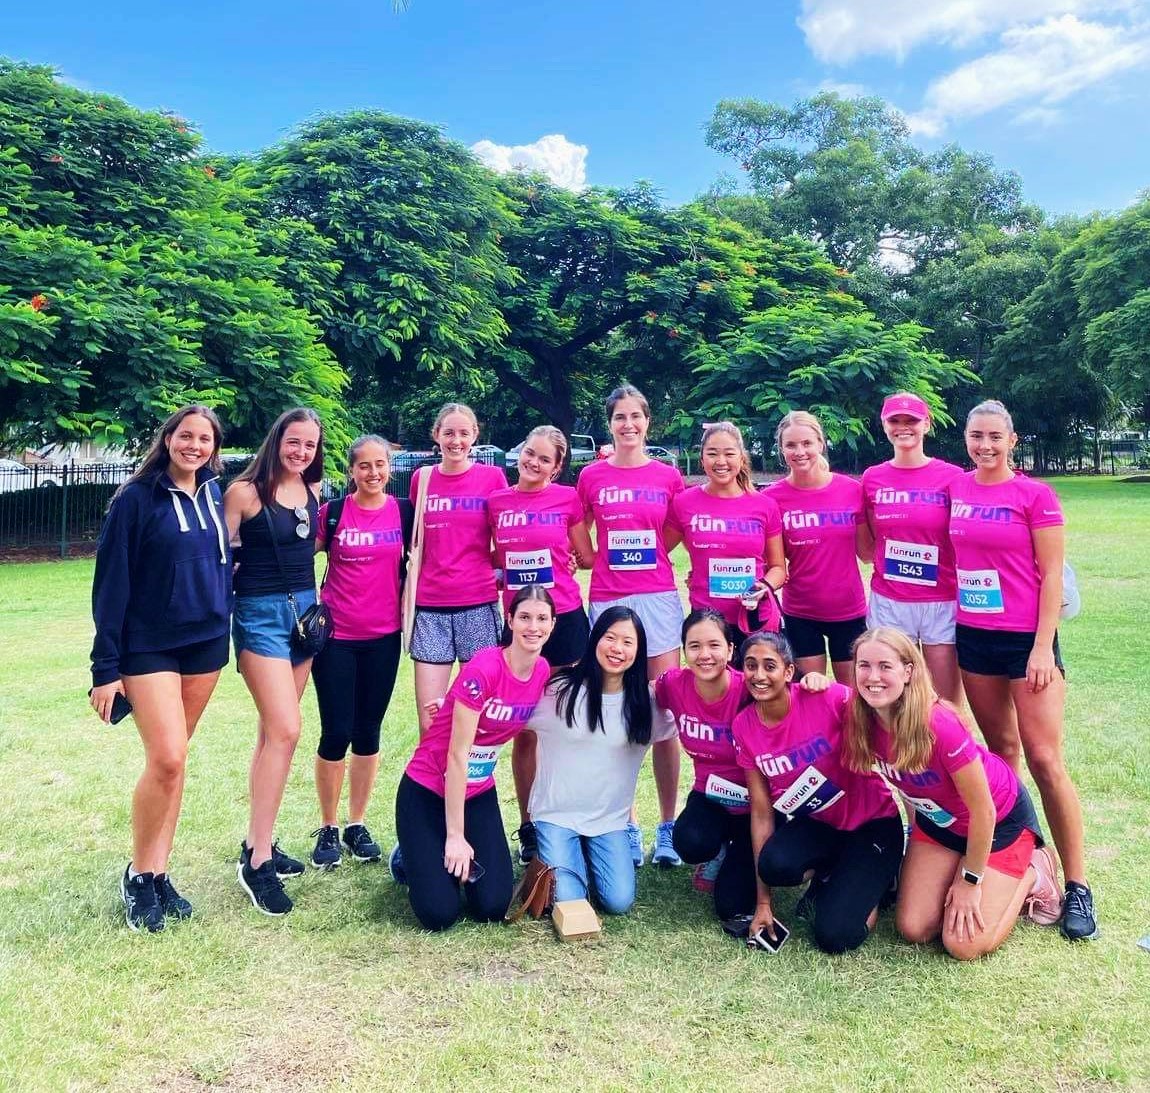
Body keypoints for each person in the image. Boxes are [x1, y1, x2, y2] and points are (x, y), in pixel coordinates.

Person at [949, 399, 1097, 941]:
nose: (984, 445)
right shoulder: (957, 489)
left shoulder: (1034, 494)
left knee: (1044, 756)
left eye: (994, 437)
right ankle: (1028, 860)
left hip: (1026, 642)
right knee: (1002, 754)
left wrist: (1041, 647)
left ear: (1012, 441)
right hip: (975, 640)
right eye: (975, 435)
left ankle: (1079, 885)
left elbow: (1053, 574)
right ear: (965, 438)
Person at [90, 406, 231, 932]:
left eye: (205, 438)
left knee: (176, 762)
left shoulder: (216, 494)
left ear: (213, 447)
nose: (194, 445)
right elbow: (110, 583)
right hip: (148, 646)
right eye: (186, 435)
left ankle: (158, 872)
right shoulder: (135, 499)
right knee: (167, 758)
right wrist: (106, 667)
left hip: (206, 643)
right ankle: (137, 874)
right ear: (168, 438)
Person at [844, 628, 1064, 959]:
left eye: (885, 666)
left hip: (997, 824)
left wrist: (970, 881)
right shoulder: (862, 718)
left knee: (962, 945)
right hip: (940, 824)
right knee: (914, 928)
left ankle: (1035, 872)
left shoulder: (938, 723)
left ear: (908, 671)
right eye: (864, 665)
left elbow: (984, 811)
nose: (873, 677)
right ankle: (964, 868)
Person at [394, 587, 555, 931]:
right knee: (440, 914)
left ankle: (437, 852)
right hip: (428, 789)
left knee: (493, 905)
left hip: (478, 792)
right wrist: (455, 835)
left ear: (553, 625)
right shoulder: (485, 666)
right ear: (509, 620)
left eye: (542, 619)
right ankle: (411, 854)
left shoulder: (541, 672)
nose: (533, 627)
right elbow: (456, 756)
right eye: (524, 617)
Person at [732, 630, 902, 953]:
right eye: (750, 666)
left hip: (873, 824)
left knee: (836, 935)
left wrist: (828, 685)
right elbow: (761, 811)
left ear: (789, 671)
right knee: (773, 864)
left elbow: (878, 710)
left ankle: (884, 879)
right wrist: (763, 903)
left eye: (770, 666)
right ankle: (837, 873)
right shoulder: (744, 726)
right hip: (821, 825)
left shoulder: (825, 698)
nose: (759, 675)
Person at [576, 384, 684, 867]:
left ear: (647, 422)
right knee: (615, 710)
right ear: (610, 424)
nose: (628, 425)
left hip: (657, 598)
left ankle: (667, 826)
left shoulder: (667, 476)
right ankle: (622, 822)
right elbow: (580, 530)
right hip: (608, 598)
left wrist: (649, 556)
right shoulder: (592, 475)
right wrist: (599, 560)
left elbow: (674, 529)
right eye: (619, 417)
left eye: (636, 417)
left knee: (665, 713)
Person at [224, 407, 325, 916]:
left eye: (309, 445)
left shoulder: (311, 493)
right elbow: (217, 559)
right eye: (294, 442)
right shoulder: (244, 492)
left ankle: (257, 841)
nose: (300, 452)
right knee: (286, 730)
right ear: (277, 440)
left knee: (271, 735)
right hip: (259, 617)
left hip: (304, 616)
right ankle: (257, 863)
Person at [487, 425, 595, 863]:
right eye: (529, 453)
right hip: (520, 624)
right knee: (524, 728)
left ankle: (572, 817)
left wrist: (566, 559)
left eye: (544, 459)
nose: (534, 462)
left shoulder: (568, 499)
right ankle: (529, 824)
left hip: (565, 618)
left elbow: (586, 556)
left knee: (570, 723)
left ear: (557, 467)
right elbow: (493, 558)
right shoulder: (497, 502)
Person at [525, 607, 678, 914]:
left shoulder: (646, 704)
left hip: (609, 821)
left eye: (627, 642)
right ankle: (564, 851)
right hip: (557, 814)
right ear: (595, 639)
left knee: (618, 901)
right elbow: (510, 714)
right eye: (610, 638)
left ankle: (582, 852)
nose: (617, 649)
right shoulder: (562, 691)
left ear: (639, 650)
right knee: (569, 900)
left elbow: (692, 724)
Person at [308, 436, 412, 870]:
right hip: (336, 639)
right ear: (351, 471)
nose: (373, 473)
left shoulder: (404, 512)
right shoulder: (332, 514)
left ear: (390, 467)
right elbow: (296, 556)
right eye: (364, 466)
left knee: (368, 732)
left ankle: (356, 823)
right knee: (336, 732)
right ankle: (328, 826)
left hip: (384, 637)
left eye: (380, 465)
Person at [409, 403, 508, 735]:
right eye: (449, 433)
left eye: (464, 433)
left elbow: (506, 538)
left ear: (475, 435)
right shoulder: (421, 480)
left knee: (477, 718)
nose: (456, 441)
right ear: (437, 435)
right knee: (430, 719)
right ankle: (433, 786)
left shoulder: (492, 478)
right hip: (430, 609)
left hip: (477, 606)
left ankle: (472, 787)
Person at [860, 393, 965, 703]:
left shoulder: (952, 477)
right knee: (892, 700)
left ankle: (950, 753)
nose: (903, 427)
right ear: (884, 425)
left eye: (912, 421)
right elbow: (869, 546)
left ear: (927, 424)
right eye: (895, 421)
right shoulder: (872, 478)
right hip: (890, 601)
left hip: (941, 600)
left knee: (944, 704)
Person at [656, 610, 755, 919]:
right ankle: (717, 849)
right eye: (694, 646)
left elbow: (794, 704)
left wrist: (817, 683)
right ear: (684, 650)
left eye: (714, 645)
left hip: (758, 804)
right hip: (710, 796)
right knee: (690, 842)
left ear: (730, 649)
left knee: (733, 906)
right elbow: (637, 697)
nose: (704, 655)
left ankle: (743, 850)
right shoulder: (674, 685)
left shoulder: (751, 688)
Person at [666, 421, 786, 659]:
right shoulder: (683, 503)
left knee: (757, 690)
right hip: (707, 620)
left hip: (753, 617)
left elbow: (778, 569)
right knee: (712, 691)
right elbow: (660, 550)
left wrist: (762, 587)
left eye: (729, 453)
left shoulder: (765, 505)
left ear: (741, 458)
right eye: (712, 454)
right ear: (702, 459)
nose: (721, 461)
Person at [766, 411, 868, 684]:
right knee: (810, 694)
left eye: (807, 443)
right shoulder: (771, 499)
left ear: (821, 444)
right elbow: (767, 559)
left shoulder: (851, 490)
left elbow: (867, 553)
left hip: (849, 610)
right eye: (791, 445)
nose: (800, 452)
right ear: (782, 450)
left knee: (854, 699)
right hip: (801, 612)